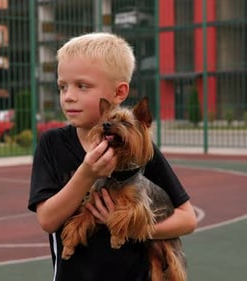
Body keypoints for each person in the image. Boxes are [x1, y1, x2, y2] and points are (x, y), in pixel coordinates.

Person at [28, 32, 197, 281]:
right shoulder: (52, 144)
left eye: (82, 86)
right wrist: (87, 173)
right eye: (62, 86)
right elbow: (47, 220)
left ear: (119, 93)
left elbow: (187, 219)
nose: (69, 96)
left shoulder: (139, 149)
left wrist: (131, 228)